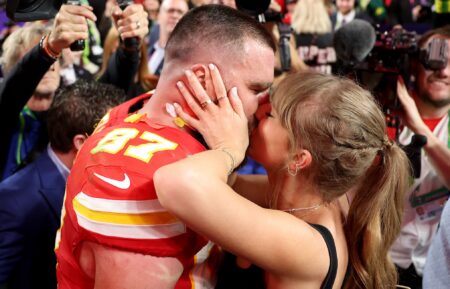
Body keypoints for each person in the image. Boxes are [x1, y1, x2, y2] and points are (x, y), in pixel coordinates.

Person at [55, 4, 275, 289]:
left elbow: (229, 187)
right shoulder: (132, 187)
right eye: (256, 90)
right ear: (201, 81)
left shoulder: (141, 108)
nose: (264, 106)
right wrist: (230, 153)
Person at [154, 70, 410, 289]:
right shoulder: (310, 192)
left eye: (270, 116)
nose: (258, 112)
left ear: (299, 158)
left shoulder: (306, 244)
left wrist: (229, 149)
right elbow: (229, 186)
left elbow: (174, 183)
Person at [0, 3, 148, 180]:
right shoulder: (7, 112)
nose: (49, 68)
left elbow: (107, 91)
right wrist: (48, 48)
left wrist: (130, 46)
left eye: (54, 60)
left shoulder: (65, 109)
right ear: (13, 69)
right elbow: (11, 94)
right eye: (41, 62)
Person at [0, 80, 125, 289]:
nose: (125, 142)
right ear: (82, 143)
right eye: (114, 136)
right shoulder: (15, 202)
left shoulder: (102, 181)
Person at [390, 25, 450, 289]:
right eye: (435, 58)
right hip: (379, 259)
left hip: (433, 265)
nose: (443, 71)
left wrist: (420, 129)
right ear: (413, 63)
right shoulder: (385, 111)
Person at [291, 0, 336, 74]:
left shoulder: (290, 39)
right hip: (328, 83)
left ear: (299, 12)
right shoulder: (333, 38)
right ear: (322, 13)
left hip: (300, 83)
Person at [147, 0, 189, 76]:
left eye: (180, 12)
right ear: (158, 16)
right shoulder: (149, 49)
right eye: (170, 11)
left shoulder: (187, 59)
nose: (175, 15)